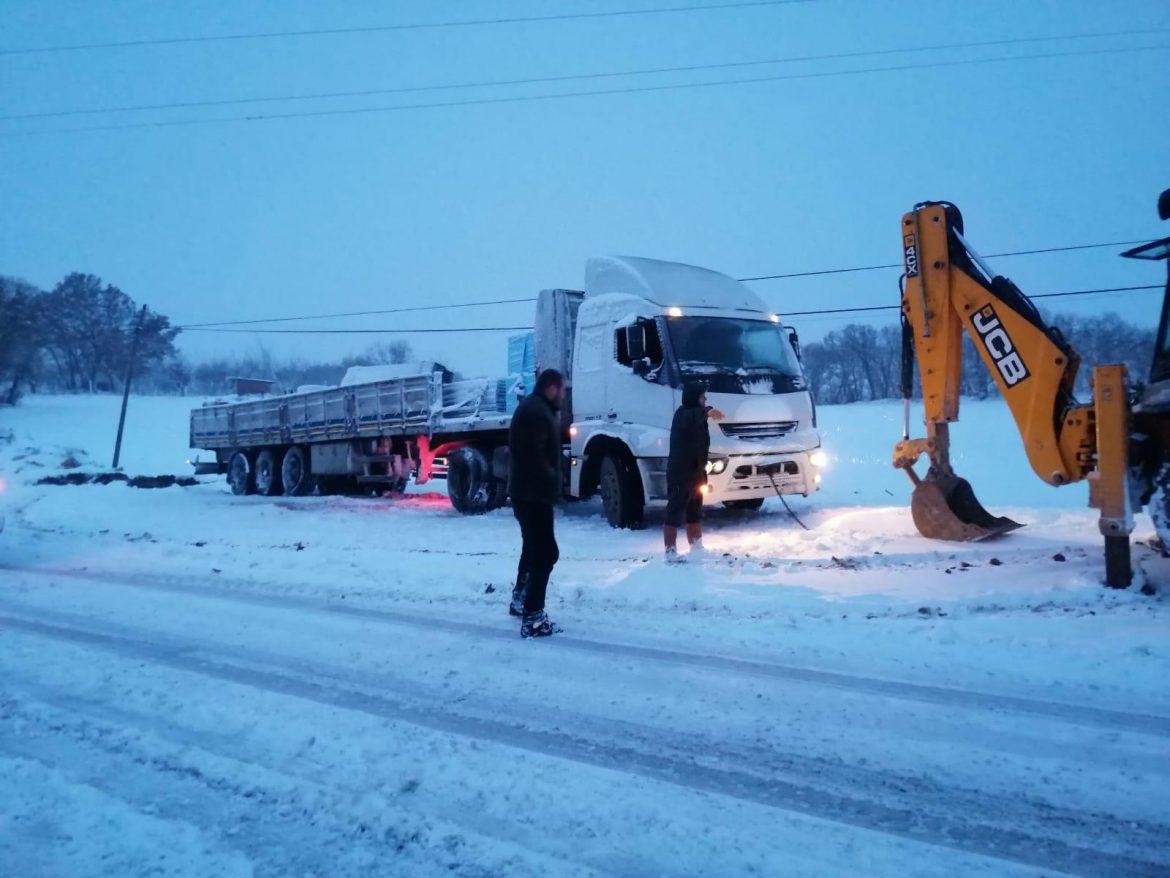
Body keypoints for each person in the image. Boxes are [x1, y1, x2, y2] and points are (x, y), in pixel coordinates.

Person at [507, 368, 567, 638]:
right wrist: (552, 479)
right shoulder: (536, 412)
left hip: (528, 493)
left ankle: (521, 598)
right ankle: (533, 616)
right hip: (534, 495)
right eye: (562, 390)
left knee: (533, 548)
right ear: (552, 388)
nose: (564, 396)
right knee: (545, 553)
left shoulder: (534, 407)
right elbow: (534, 458)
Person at [664, 381, 721, 563]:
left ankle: (696, 548)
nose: (705, 400)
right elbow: (693, 416)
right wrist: (708, 411)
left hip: (697, 472)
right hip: (681, 473)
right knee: (674, 511)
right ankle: (670, 552)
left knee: (695, 511)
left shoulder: (698, 416)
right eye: (702, 397)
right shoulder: (683, 415)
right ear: (694, 399)